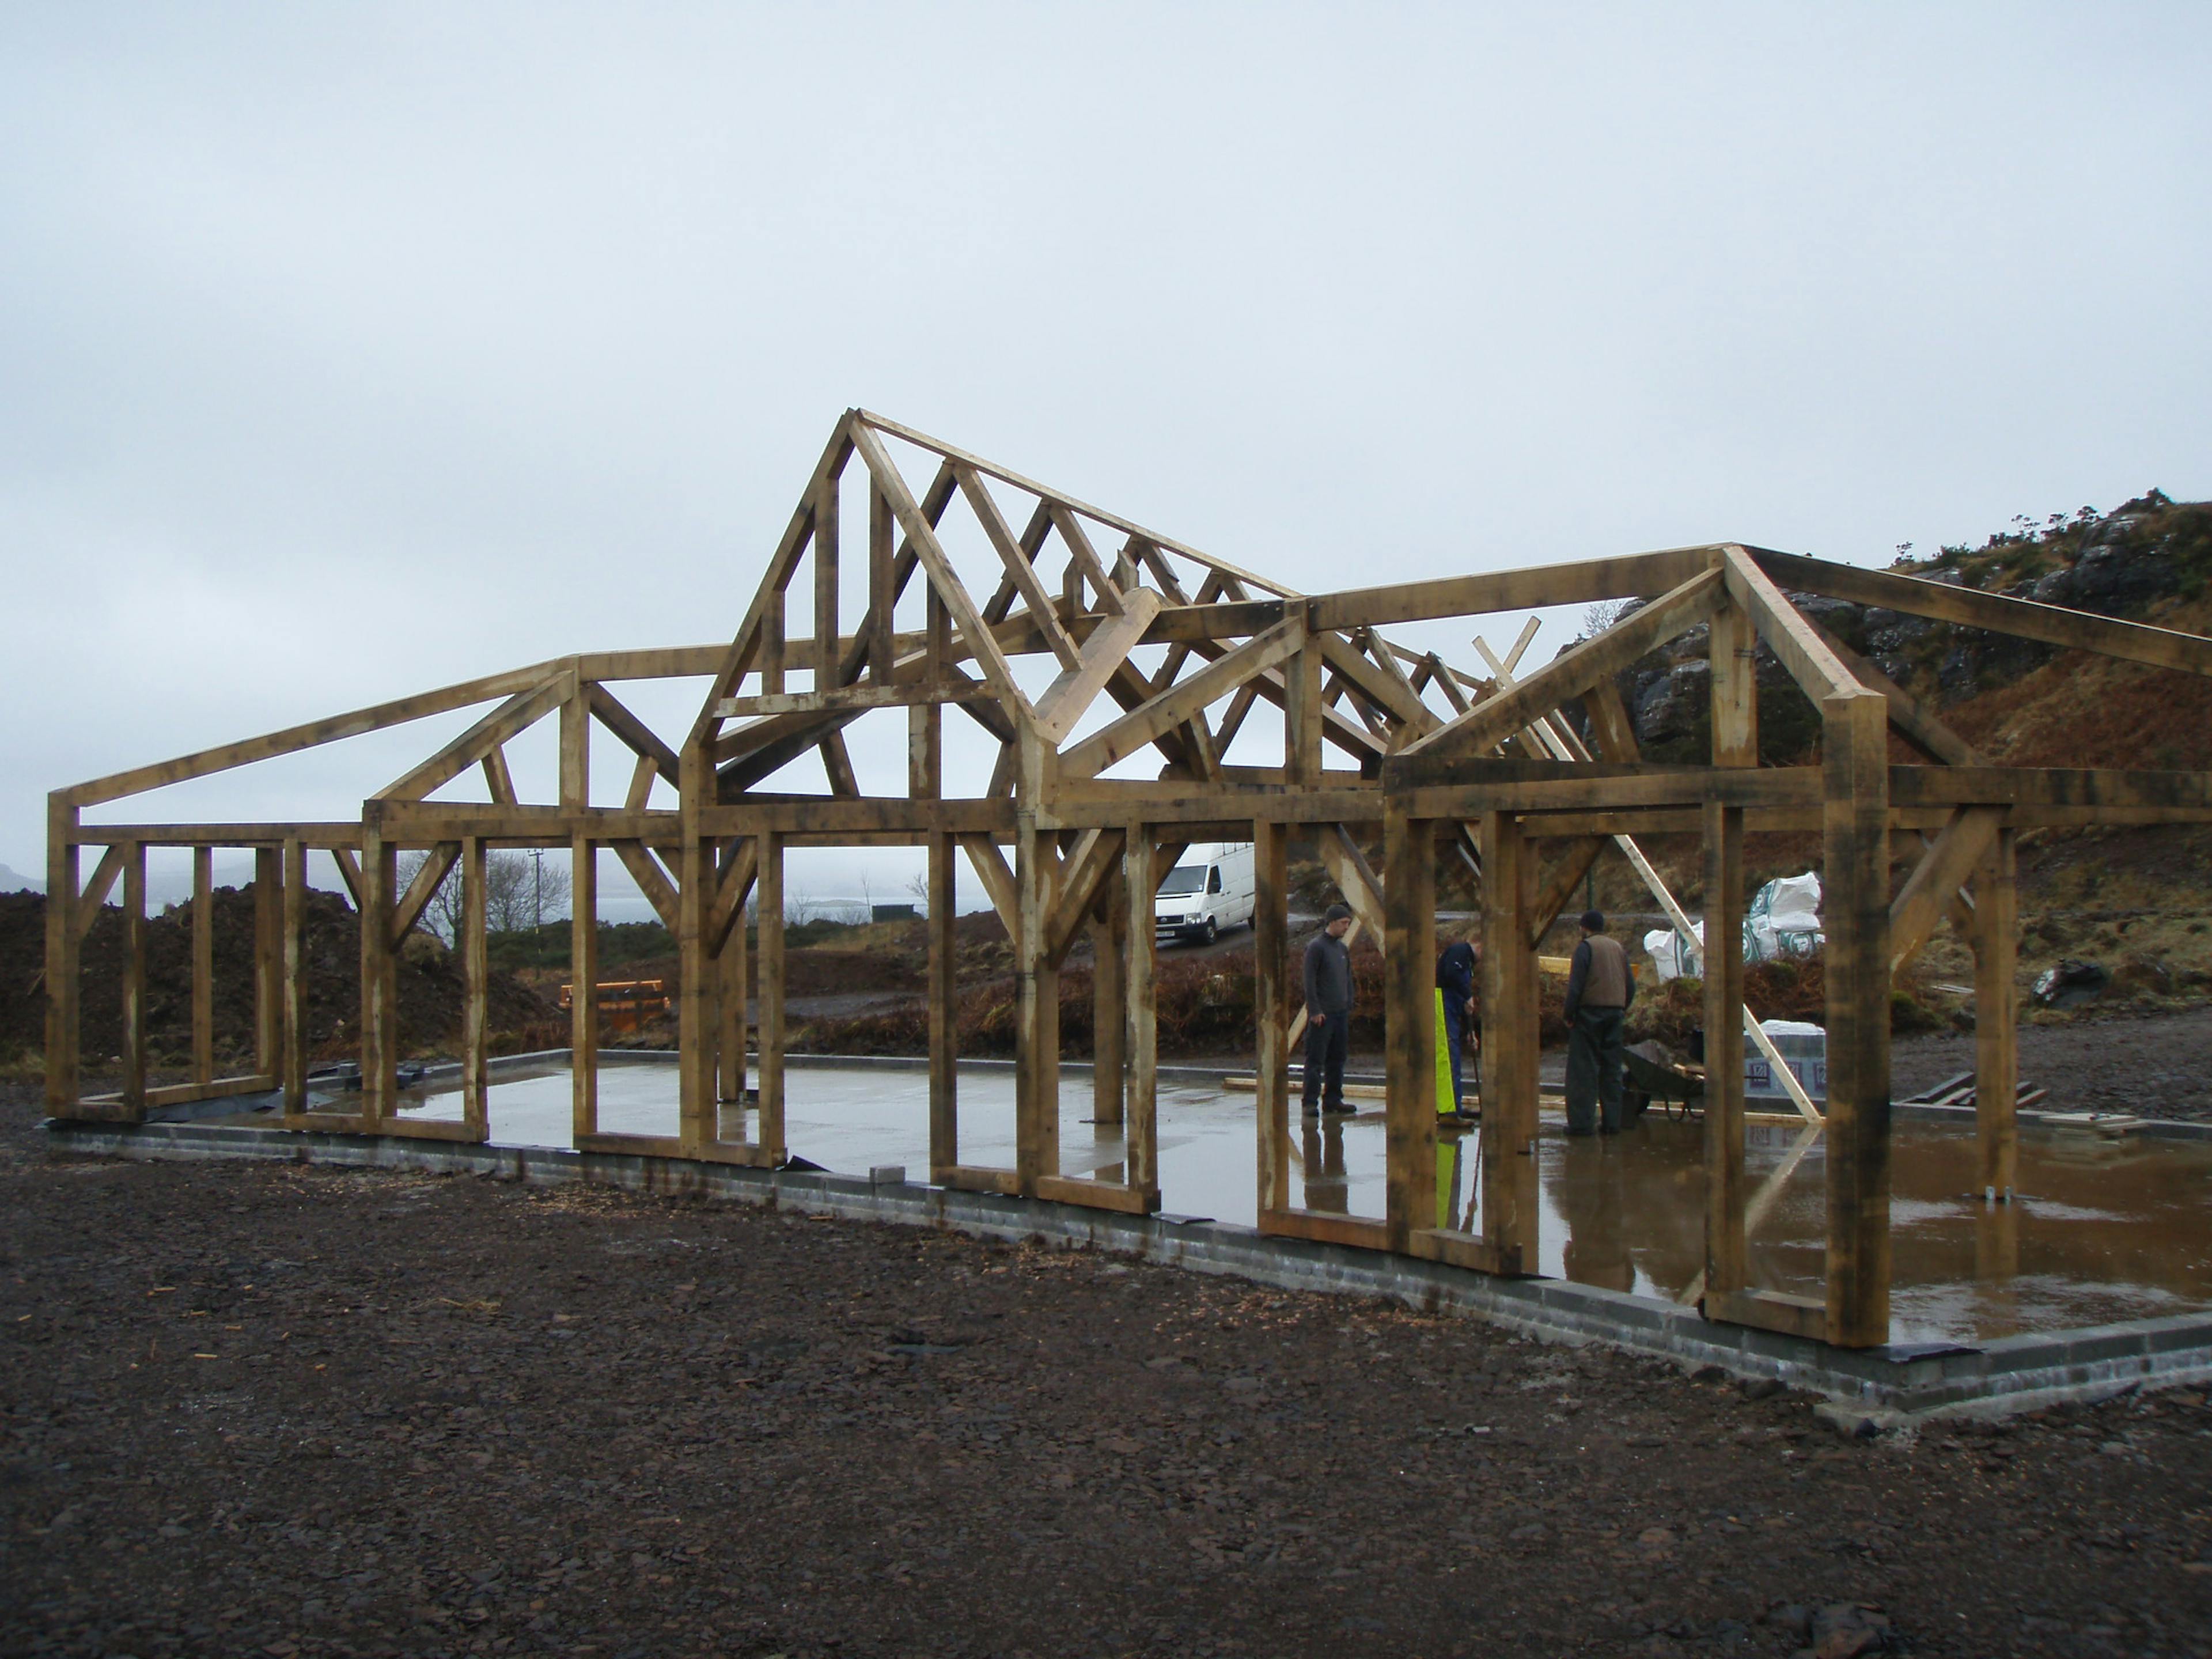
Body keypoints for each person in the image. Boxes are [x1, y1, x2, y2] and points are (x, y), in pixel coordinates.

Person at [1562, 908, 1635, 1135]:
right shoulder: (1618, 949)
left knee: (1583, 1070)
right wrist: (1621, 1008)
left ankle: (1582, 1125)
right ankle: (1612, 1123)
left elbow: (1576, 986)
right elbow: (1631, 986)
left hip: (1589, 1015)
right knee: (1611, 1070)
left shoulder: (1586, 948)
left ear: (1585, 928)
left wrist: (1569, 1014)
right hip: (1615, 1014)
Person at [1301, 903, 1356, 1116]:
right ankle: (1310, 1102)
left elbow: (1348, 978)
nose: (1346, 927)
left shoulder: (1342, 949)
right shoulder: (1316, 947)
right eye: (1344, 923)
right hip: (1322, 1015)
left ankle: (1333, 1100)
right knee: (1315, 1060)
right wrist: (1315, 1010)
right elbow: (1309, 981)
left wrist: (1349, 1002)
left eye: (1349, 924)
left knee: (1337, 1059)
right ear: (1332, 922)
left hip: (1340, 1013)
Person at [1434, 936, 1479, 1122]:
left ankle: (1456, 1105)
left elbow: (1460, 986)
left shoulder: (1468, 961)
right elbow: (1453, 974)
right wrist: (1467, 996)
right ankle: (1448, 1110)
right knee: (1447, 1058)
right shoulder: (1461, 952)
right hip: (1443, 1005)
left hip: (1452, 1009)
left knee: (1454, 1058)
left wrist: (1471, 1030)